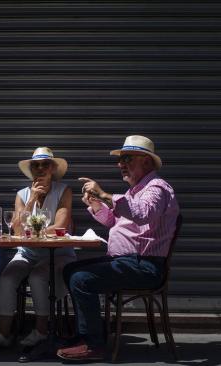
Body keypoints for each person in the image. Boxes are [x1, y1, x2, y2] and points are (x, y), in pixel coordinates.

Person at [56, 135, 179, 361]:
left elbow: (143, 214)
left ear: (147, 162)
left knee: (81, 279)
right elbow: (114, 222)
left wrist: (104, 193)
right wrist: (96, 203)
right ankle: (90, 334)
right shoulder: (135, 192)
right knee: (70, 271)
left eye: (128, 158)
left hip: (145, 266)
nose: (120, 164)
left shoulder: (156, 188)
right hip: (126, 262)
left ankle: (94, 344)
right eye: (121, 159)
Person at [0, 147, 74, 347]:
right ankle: (4, 334)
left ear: (53, 169)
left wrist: (30, 231)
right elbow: (16, 229)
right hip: (28, 252)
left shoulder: (64, 190)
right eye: (36, 166)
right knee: (7, 277)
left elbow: (60, 226)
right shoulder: (22, 194)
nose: (40, 169)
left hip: (57, 253)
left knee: (38, 276)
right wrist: (31, 199)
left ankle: (41, 331)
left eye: (45, 164)